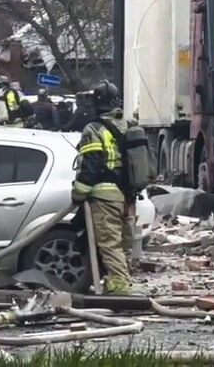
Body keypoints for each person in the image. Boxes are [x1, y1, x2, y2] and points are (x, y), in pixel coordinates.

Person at [70, 80, 134, 295]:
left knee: (109, 243)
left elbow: (92, 164)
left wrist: (78, 193)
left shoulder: (94, 129)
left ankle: (119, 289)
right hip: (127, 195)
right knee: (123, 243)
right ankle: (119, 282)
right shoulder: (128, 126)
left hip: (104, 196)